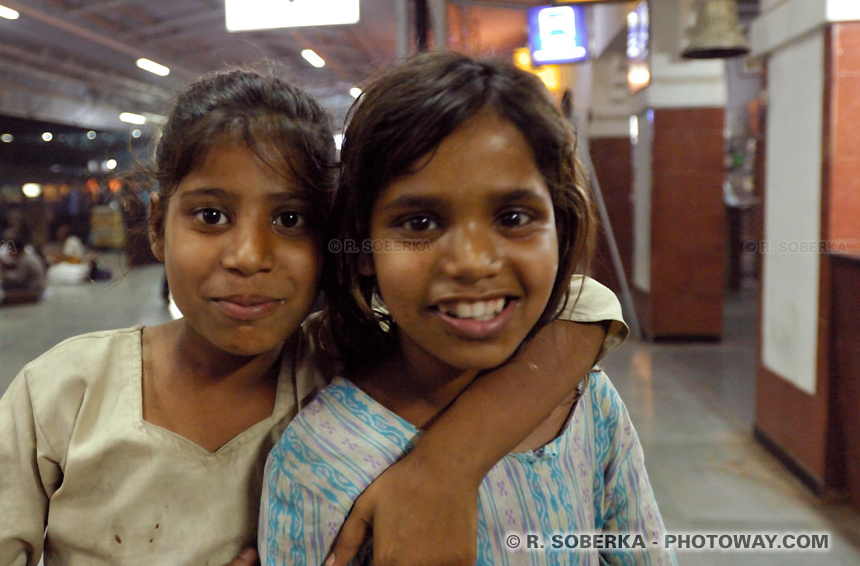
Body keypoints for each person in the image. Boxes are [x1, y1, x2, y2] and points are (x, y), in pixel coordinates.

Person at [0, 67, 623, 566]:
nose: (249, 255)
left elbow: (584, 306)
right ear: (156, 225)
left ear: (334, 240)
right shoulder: (66, 393)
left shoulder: (342, 367)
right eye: (210, 215)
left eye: (290, 219)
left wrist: (444, 469)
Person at [260, 52, 673, 565]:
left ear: (559, 227)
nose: (473, 263)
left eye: (515, 216)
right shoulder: (318, 461)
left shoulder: (589, 402)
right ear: (363, 247)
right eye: (419, 224)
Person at [0, 231, 46, 303]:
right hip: (35, 285)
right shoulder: (27, 256)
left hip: (33, 289)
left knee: (3, 287)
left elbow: (19, 280)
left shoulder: (25, 260)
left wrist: (3, 275)